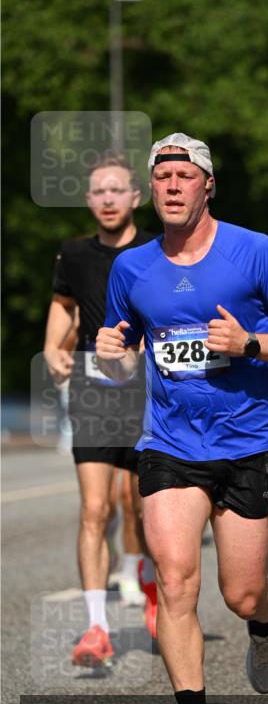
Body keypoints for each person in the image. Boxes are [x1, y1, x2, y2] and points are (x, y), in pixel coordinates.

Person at [96, 133, 268, 704]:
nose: (172, 184)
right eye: (162, 174)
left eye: (184, 175)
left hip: (246, 443)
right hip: (169, 444)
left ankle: (265, 623)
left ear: (207, 186)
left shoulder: (253, 252)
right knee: (173, 582)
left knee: (240, 592)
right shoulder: (131, 268)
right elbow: (121, 357)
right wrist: (112, 355)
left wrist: (252, 343)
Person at [43, 152, 156, 668]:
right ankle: (96, 626)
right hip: (91, 389)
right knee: (95, 508)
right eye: (99, 192)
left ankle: (149, 586)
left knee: (142, 507)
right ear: (89, 200)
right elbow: (63, 304)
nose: (108, 199)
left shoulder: (157, 253)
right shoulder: (73, 253)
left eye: (117, 190)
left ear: (136, 197)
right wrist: (52, 348)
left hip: (148, 392)